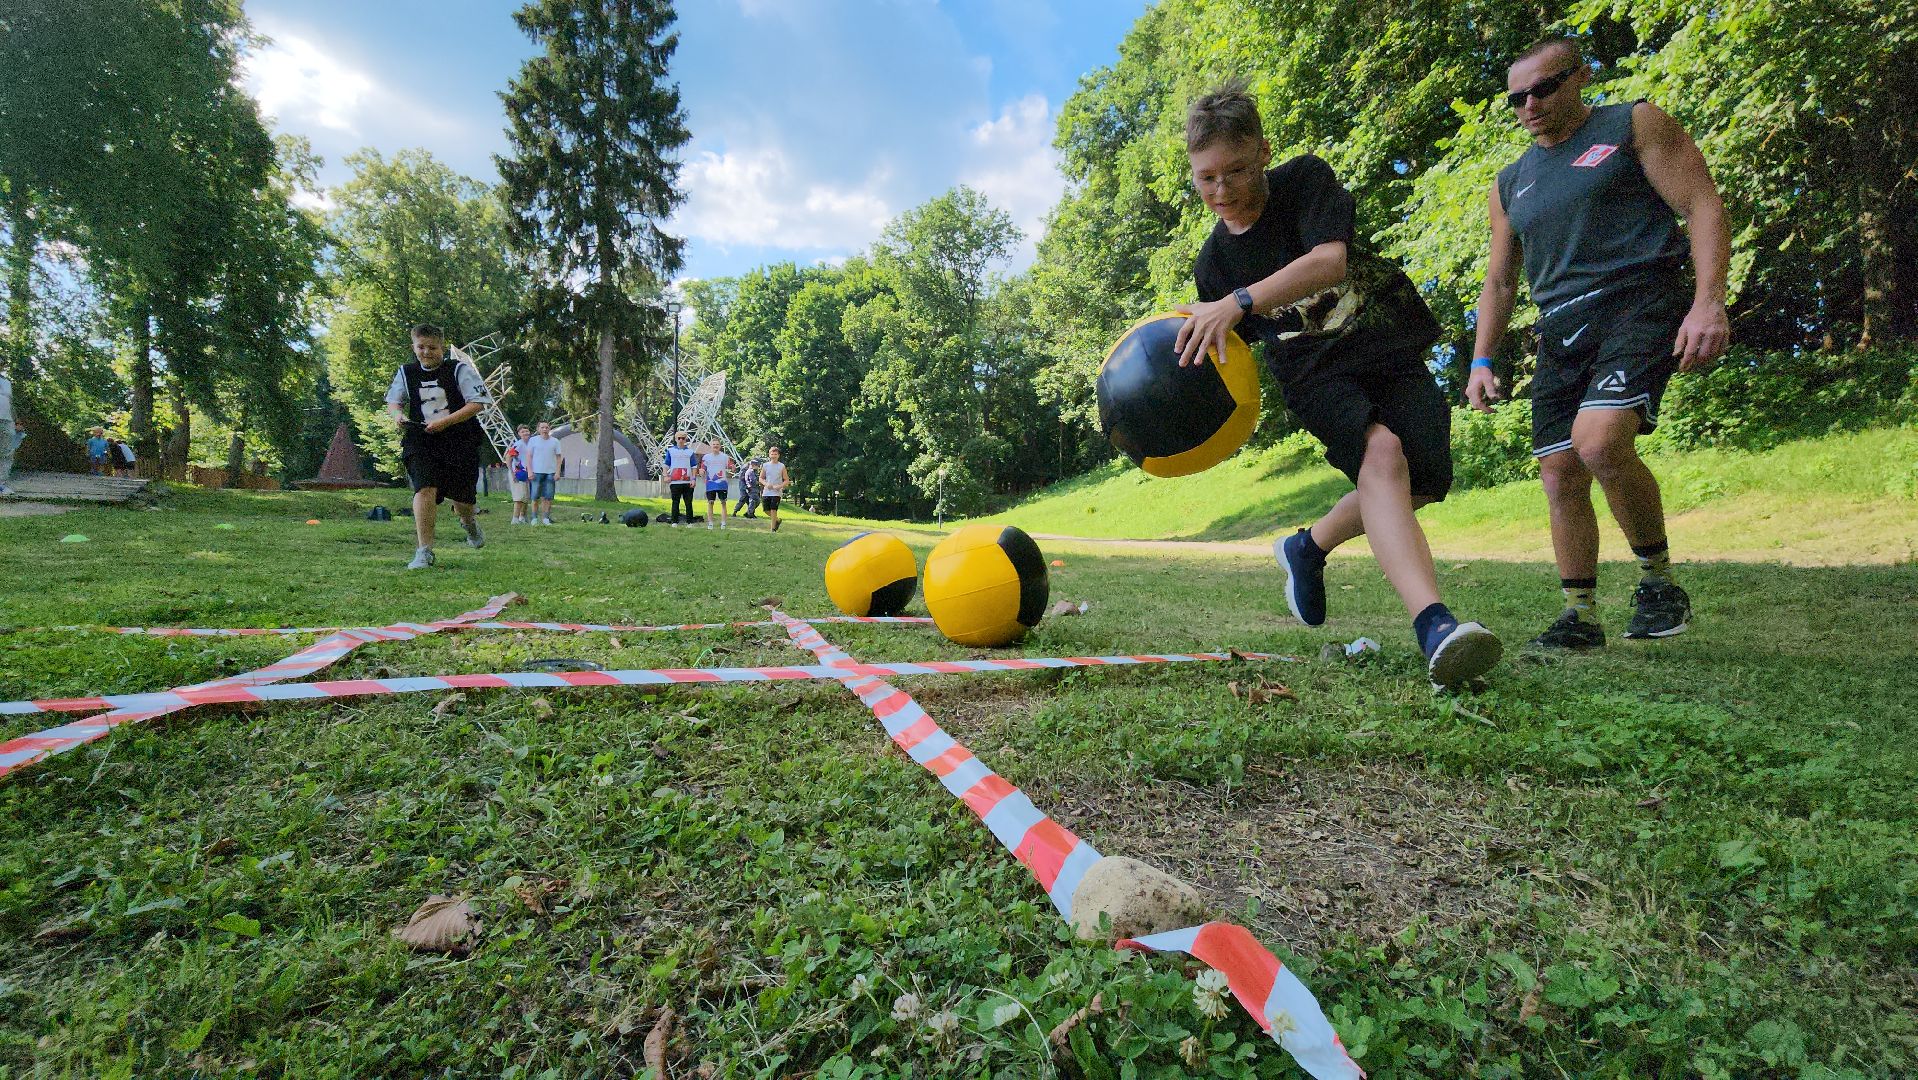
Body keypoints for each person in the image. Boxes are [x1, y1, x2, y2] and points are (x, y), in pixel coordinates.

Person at [1174, 82, 1502, 688]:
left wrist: (1238, 302)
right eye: (1206, 178)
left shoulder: (1304, 182)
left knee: (1421, 482)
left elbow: (1330, 261)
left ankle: (1308, 547)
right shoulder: (1212, 263)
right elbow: (1224, 357)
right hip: (1313, 373)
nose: (1222, 192)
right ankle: (1435, 624)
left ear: (1264, 152)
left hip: (1383, 340)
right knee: (1382, 454)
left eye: (1237, 170)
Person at [1467, 37, 1730, 648]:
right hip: (1560, 323)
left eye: (1543, 88)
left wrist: (1708, 301)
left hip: (1639, 299)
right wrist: (1482, 358)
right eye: (1515, 97)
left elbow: (1701, 203)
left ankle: (1658, 584)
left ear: (1580, 77)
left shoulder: (1632, 122)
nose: (1528, 105)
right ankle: (1580, 616)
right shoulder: (1511, 182)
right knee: (1559, 469)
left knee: (1599, 441)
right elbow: (1501, 278)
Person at [384, 322, 489, 569]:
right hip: (421, 438)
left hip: (459, 439)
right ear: (414, 346)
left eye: (432, 347)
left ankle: (469, 523)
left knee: (463, 500)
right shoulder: (405, 372)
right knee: (424, 488)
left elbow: (477, 403)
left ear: (441, 347)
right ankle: (425, 551)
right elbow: (393, 402)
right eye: (421, 347)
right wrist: (397, 416)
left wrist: (446, 422)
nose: (426, 352)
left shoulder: (459, 369)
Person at [525, 420, 563, 526]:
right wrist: (529, 471)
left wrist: (558, 472)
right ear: (538, 429)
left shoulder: (555, 441)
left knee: (548, 497)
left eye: (546, 427)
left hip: (550, 473)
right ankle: (534, 518)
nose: (545, 429)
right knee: (534, 496)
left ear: (549, 429)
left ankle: (546, 518)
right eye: (542, 427)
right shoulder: (533, 440)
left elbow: (559, 457)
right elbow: (529, 456)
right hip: (536, 472)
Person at [662, 431, 697, 525]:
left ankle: (690, 522)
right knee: (675, 502)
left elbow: (694, 466)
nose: (681, 440)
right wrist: (665, 476)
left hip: (687, 482)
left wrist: (693, 479)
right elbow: (666, 464)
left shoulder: (690, 452)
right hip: (675, 482)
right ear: (676, 439)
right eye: (679, 438)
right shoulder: (670, 451)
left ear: (686, 439)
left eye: (683, 438)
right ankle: (674, 521)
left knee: (688, 503)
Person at [700, 442, 733, 530]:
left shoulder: (725, 457)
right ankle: (710, 523)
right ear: (711, 446)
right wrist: (701, 471)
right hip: (710, 483)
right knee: (710, 502)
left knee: (723, 502)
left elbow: (730, 466)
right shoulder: (706, 457)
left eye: (717, 444)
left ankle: (723, 523)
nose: (715, 446)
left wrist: (732, 467)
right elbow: (703, 467)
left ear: (720, 446)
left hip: (722, 483)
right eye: (714, 444)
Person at [759, 445, 790, 533]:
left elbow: (786, 480)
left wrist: (780, 486)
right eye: (772, 454)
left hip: (776, 492)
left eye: (775, 454)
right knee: (766, 510)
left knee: (773, 509)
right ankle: (777, 520)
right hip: (766, 491)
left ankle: (773, 529)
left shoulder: (781, 466)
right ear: (769, 455)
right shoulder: (765, 465)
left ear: (778, 455)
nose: (773, 456)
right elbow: (761, 478)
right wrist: (766, 484)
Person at [508, 423, 533, 524]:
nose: (525, 433)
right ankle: (515, 518)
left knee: (526, 497)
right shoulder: (518, 444)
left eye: (526, 431)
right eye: (523, 431)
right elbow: (508, 457)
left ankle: (523, 517)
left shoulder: (531, 444)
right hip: (517, 473)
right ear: (519, 434)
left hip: (526, 473)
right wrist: (512, 472)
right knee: (519, 497)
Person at [0, 368, 16, 497]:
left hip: (7, 420)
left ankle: (1, 485)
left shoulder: (6, 382)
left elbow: (11, 403)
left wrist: (17, 420)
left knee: (7, 452)